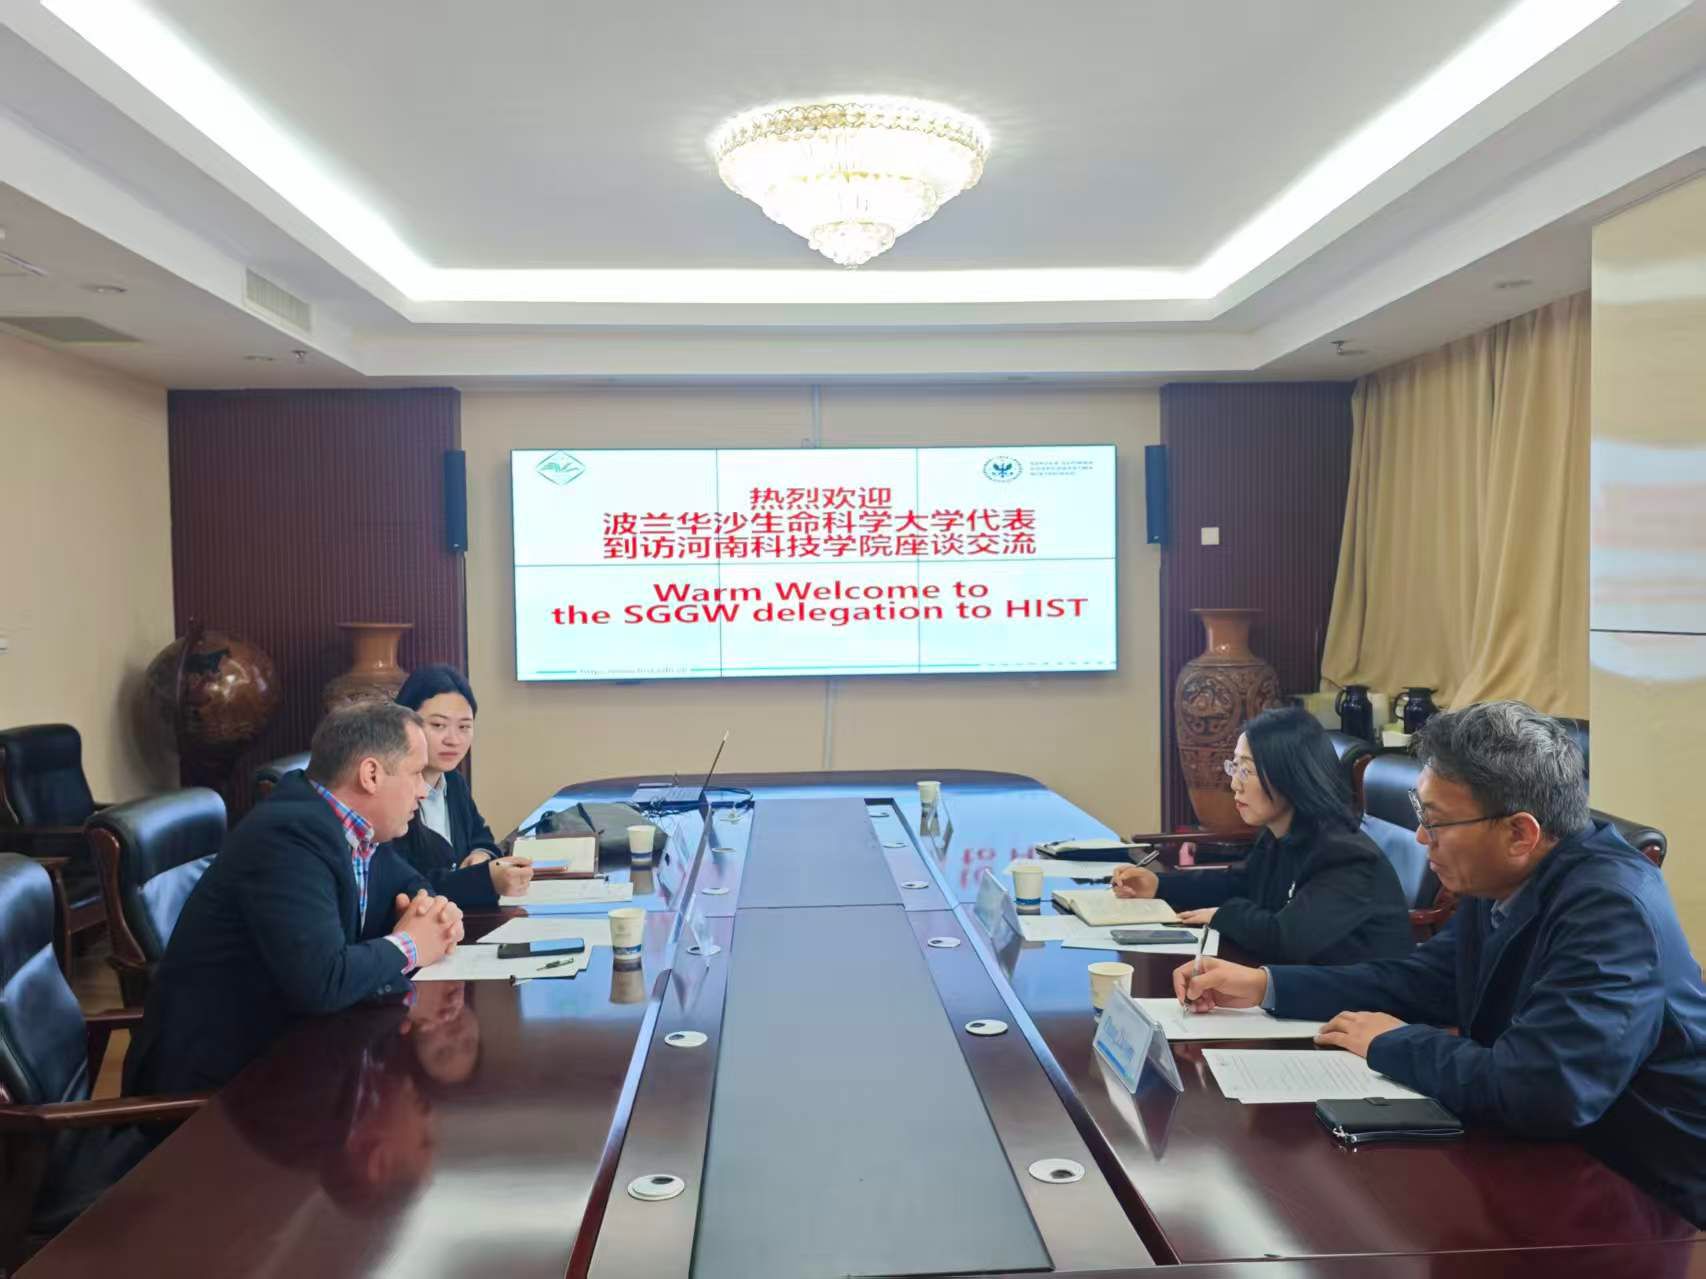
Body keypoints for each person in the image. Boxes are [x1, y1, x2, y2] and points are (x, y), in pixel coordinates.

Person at [1174, 701, 1706, 1227]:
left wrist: (1393, 1042)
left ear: (1519, 833)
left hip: (1642, 1193)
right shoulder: (1502, 875)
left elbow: (1542, 1089)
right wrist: (1267, 985)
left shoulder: (1611, 909)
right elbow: (1425, 979)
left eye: (1435, 822)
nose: (1421, 838)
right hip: (1545, 1157)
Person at [125, 702, 466, 1096]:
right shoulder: (288, 836)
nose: (423, 790)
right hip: (219, 1085)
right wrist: (411, 944)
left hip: (292, 1052)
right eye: (415, 773)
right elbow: (322, 981)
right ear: (371, 774)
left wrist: (433, 913)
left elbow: (412, 884)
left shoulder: (355, 829)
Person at [1111, 706, 1412, 963]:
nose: (1234, 784)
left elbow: (1286, 940)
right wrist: (1159, 885)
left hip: (1358, 1005)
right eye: (1234, 767)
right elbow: (1241, 883)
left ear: (1289, 775)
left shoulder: (1343, 856)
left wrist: (1224, 915)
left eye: (1247, 770)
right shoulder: (1281, 831)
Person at [387, 665, 532, 908]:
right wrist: (483, 880)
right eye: (438, 725)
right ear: (405, 724)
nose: (453, 740)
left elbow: (481, 836)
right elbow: (403, 886)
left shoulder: (453, 781)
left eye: (464, 727)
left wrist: (480, 856)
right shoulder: (390, 791)